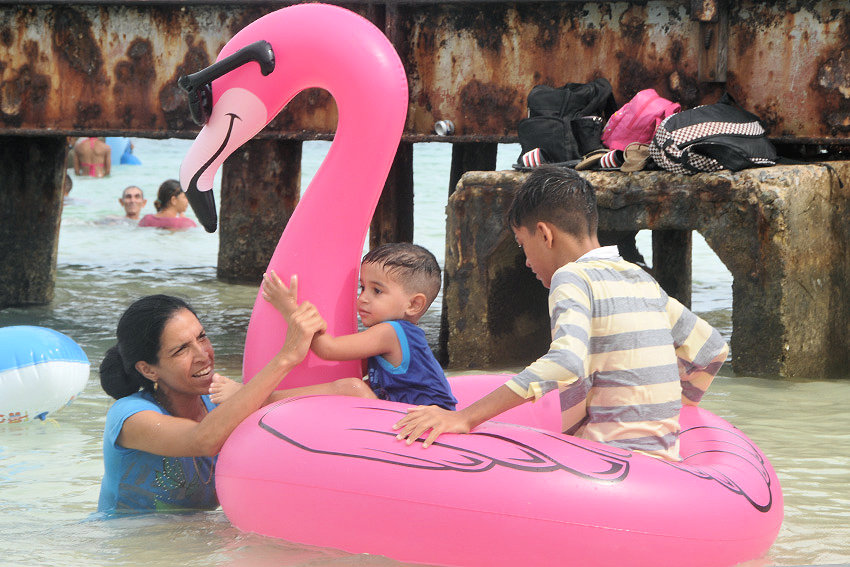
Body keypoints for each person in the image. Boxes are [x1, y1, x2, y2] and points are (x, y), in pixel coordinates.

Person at [394, 165, 728, 461]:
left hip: (608, 461)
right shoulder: (640, 277)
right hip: (665, 461)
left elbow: (566, 362)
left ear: (544, 233)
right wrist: (678, 409)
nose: (525, 261)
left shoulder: (571, 277)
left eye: (523, 245)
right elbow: (712, 348)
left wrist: (465, 417)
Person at [97, 294, 325, 513]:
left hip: (197, 545)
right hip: (127, 545)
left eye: (202, 337)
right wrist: (287, 357)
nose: (202, 355)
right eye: (181, 349)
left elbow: (338, 394)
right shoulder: (129, 416)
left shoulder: (222, 401)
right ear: (148, 369)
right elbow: (202, 439)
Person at [210, 242, 457, 411]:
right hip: (409, 415)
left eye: (377, 290)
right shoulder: (397, 336)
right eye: (362, 287)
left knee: (351, 388)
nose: (362, 298)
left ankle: (252, 399)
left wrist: (288, 308)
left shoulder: (391, 332)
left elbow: (327, 349)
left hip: (427, 420)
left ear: (414, 305)